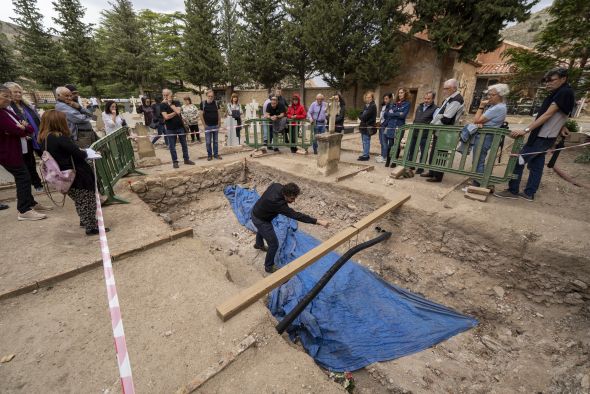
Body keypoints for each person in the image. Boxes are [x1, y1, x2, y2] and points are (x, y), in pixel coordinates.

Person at [495, 68, 575, 201]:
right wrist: (561, 126)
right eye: (547, 80)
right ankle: (529, 193)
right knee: (537, 164)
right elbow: (560, 114)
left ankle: (513, 190)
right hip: (546, 136)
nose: (548, 83)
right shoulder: (561, 92)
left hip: (542, 137)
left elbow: (548, 114)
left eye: (552, 80)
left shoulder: (564, 92)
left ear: (563, 78)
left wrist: (525, 130)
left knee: (518, 160)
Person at [38, 110, 107, 235]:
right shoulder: (59, 137)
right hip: (76, 174)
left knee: (79, 200)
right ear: (59, 122)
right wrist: (88, 153)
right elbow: (78, 154)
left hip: (63, 175)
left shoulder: (45, 138)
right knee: (86, 199)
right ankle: (91, 227)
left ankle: (85, 220)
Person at [251, 182, 329, 273]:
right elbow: (296, 215)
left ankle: (258, 245)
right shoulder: (278, 204)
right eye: (292, 198)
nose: (293, 201)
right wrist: (318, 221)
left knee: (262, 230)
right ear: (285, 194)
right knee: (274, 244)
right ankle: (268, 266)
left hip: (257, 211)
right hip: (261, 220)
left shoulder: (277, 185)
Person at [0, 85, 51, 221]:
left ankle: (31, 203)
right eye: (5, 96)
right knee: (23, 177)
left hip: (20, 149)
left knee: (26, 175)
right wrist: (23, 128)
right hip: (8, 153)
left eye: (9, 96)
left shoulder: (6, 111)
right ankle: (24, 210)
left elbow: (28, 127)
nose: (9, 99)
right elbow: (19, 130)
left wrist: (24, 128)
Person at [462, 84, 509, 186]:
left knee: (479, 160)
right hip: (485, 135)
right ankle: (478, 181)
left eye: (492, 95)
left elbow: (476, 120)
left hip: (485, 137)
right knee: (478, 159)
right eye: (489, 94)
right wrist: (479, 122)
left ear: (500, 95)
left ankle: (478, 183)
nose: (489, 97)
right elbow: (479, 121)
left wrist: (481, 106)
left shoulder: (498, 108)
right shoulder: (496, 106)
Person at [421, 79, 464, 182]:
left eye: (447, 88)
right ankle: (431, 172)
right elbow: (441, 114)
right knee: (434, 151)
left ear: (454, 88)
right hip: (439, 130)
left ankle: (437, 176)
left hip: (446, 131)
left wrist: (436, 121)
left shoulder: (456, 100)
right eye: (444, 88)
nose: (444, 90)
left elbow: (446, 118)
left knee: (441, 153)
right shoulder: (449, 98)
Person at [5, 82, 43, 191]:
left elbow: (37, 119)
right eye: (15, 92)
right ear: (9, 93)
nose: (18, 94)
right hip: (23, 138)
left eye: (19, 92)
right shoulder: (8, 107)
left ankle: (54, 178)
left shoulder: (27, 104)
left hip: (37, 136)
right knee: (29, 162)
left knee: (47, 157)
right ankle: (37, 183)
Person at [406, 90, 438, 174]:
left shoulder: (435, 109)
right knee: (412, 149)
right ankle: (411, 164)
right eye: (425, 98)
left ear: (433, 99)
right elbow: (416, 118)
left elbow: (434, 122)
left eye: (428, 99)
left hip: (425, 134)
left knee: (424, 151)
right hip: (415, 131)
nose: (426, 100)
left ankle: (421, 167)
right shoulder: (420, 106)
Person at [161, 89, 195, 168]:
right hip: (170, 128)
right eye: (164, 95)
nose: (165, 97)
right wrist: (174, 112)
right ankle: (175, 161)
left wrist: (170, 105)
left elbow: (179, 112)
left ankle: (186, 159)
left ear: (171, 95)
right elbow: (166, 117)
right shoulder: (162, 105)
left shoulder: (176, 102)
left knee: (184, 144)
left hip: (180, 127)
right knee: (172, 146)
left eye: (167, 95)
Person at [384, 88, 411, 167]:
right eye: (399, 93)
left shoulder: (407, 103)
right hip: (391, 125)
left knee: (397, 144)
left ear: (405, 93)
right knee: (390, 144)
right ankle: (388, 161)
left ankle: (394, 162)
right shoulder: (394, 102)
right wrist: (398, 111)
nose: (400, 94)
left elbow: (403, 115)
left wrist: (394, 112)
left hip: (399, 126)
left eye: (402, 93)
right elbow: (389, 113)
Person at [200, 90, 222, 160]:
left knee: (215, 141)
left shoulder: (216, 103)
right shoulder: (203, 103)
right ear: (206, 96)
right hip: (208, 126)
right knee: (208, 142)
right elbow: (201, 115)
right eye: (209, 96)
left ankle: (216, 155)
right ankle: (209, 155)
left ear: (213, 96)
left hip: (215, 125)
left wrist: (219, 122)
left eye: (212, 96)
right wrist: (204, 125)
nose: (210, 97)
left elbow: (219, 113)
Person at [357, 91, 377, 161]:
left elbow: (363, 117)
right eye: (366, 97)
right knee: (364, 141)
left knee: (366, 141)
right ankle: (365, 154)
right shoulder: (366, 105)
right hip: (363, 126)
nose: (368, 98)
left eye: (369, 97)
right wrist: (361, 116)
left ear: (372, 98)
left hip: (368, 126)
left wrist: (361, 116)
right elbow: (360, 114)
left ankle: (366, 156)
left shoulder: (372, 106)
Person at [376, 93, 393, 163]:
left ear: (390, 99)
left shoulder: (391, 107)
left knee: (384, 142)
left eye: (387, 99)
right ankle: (382, 155)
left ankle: (385, 157)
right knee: (381, 141)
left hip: (385, 126)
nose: (385, 100)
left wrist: (383, 125)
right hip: (381, 125)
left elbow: (389, 117)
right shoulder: (383, 106)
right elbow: (382, 116)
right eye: (384, 98)